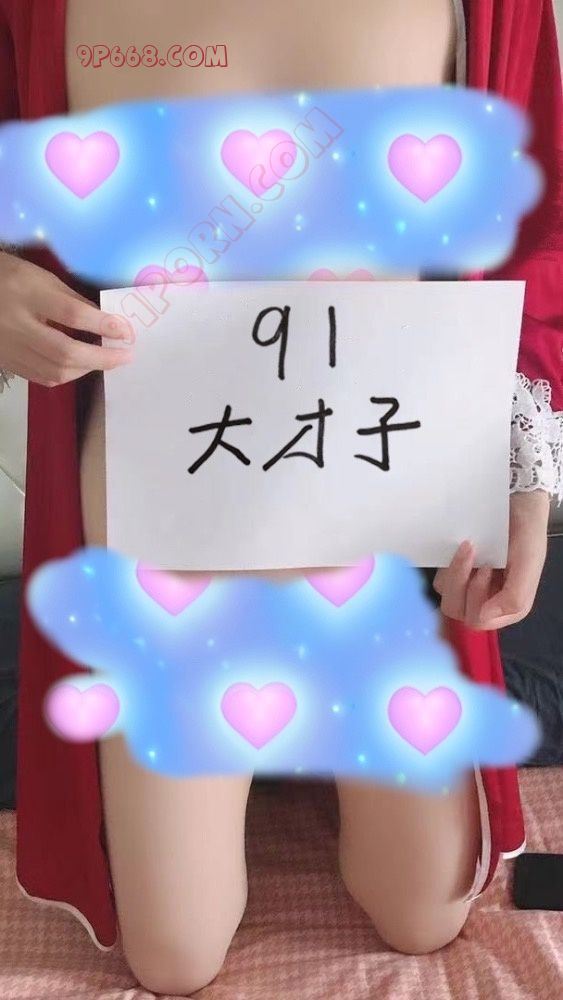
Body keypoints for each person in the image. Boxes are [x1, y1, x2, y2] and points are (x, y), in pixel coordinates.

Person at [0, 0, 561, 994]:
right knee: (175, 952)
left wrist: (525, 472)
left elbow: (538, 213)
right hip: (163, 492)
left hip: (386, 485)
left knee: (423, 911)